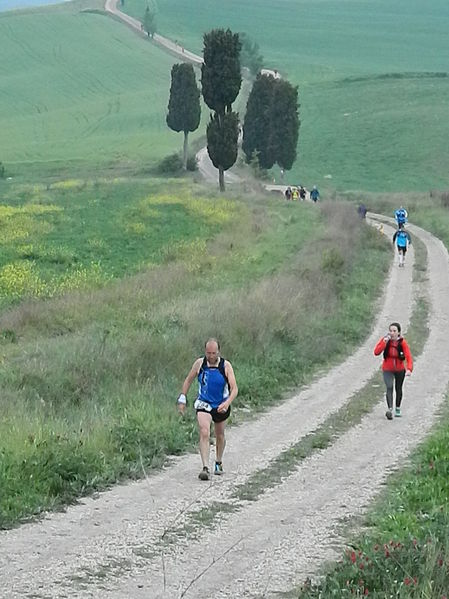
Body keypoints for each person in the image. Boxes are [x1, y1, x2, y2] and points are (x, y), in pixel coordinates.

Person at [177, 339, 238, 480]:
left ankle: (218, 461)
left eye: (214, 353)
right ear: (205, 351)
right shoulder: (200, 364)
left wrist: (227, 403)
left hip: (221, 404)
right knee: (204, 431)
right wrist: (182, 398)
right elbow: (188, 380)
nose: (211, 356)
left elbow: (234, 388)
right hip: (204, 403)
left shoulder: (226, 366)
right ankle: (205, 467)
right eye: (208, 353)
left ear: (219, 352)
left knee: (220, 434)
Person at [374, 322, 413, 420]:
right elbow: (376, 352)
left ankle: (398, 407)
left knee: (398, 388)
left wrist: (409, 369)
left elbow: (408, 356)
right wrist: (384, 342)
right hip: (387, 368)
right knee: (389, 386)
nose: (392, 333)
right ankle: (390, 409)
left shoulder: (402, 343)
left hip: (400, 369)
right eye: (390, 331)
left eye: (394, 331)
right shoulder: (385, 341)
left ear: (398, 333)